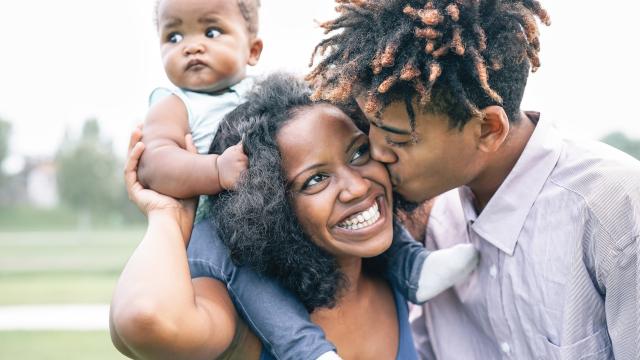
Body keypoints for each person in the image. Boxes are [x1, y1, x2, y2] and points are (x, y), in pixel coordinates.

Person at [307, 0, 640, 358]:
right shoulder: (430, 224)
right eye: (370, 128)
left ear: (488, 129)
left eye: (399, 139)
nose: (376, 153)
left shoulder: (617, 212)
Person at [110, 74, 478, 359]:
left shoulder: (393, 261)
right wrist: (165, 217)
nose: (355, 187)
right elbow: (146, 318)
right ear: (270, 209)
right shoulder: (241, 315)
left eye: (358, 153)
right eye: (316, 179)